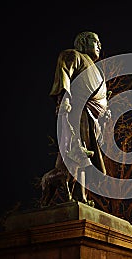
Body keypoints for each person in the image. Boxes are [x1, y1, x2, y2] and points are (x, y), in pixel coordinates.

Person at [40, 31, 110, 207]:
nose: (99, 45)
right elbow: (64, 74)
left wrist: (104, 112)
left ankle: (80, 194)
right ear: (83, 42)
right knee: (78, 153)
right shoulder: (74, 55)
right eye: (96, 41)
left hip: (91, 118)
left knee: (86, 158)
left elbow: (98, 97)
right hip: (76, 112)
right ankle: (73, 191)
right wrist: (64, 98)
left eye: (100, 42)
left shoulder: (98, 72)